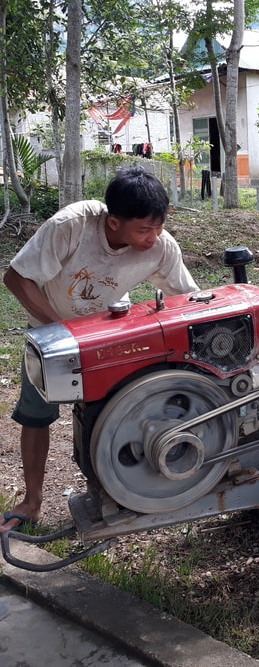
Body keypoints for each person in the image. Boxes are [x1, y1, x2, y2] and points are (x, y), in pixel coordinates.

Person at [0, 165, 199, 533]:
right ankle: (32, 501)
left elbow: (189, 299)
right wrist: (60, 329)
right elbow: (17, 277)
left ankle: (117, 495)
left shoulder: (160, 247)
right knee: (35, 415)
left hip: (108, 335)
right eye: (143, 229)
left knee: (113, 416)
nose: (153, 237)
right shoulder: (72, 226)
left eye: (159, 226)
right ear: (113, 222)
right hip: (51, 329)